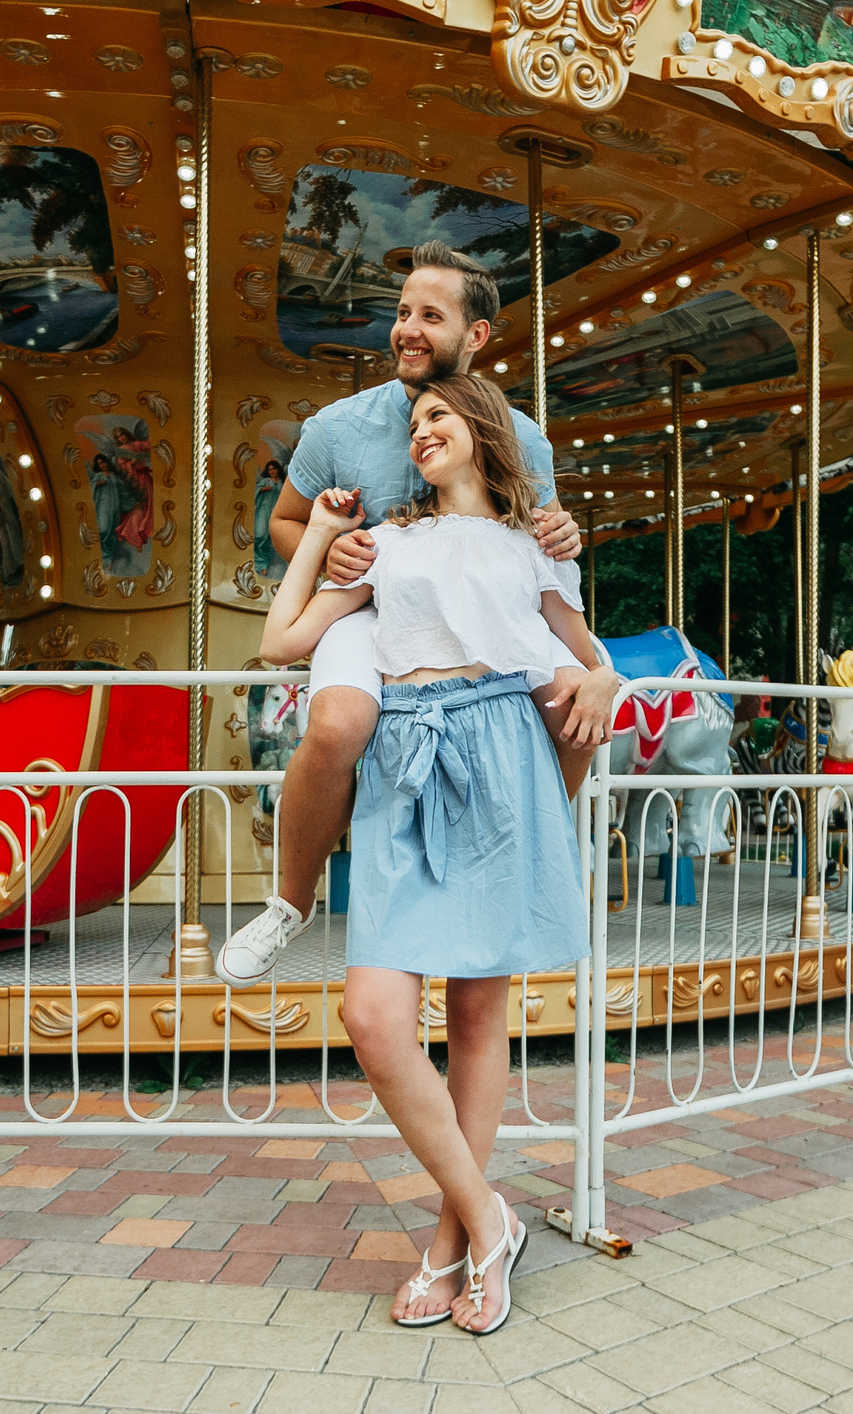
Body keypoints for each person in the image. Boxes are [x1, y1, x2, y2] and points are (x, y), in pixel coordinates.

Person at [260, 373, 613, 1334]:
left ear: (483, 431)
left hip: (502, 751)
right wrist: (327, 539)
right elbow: (283, 638)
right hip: (406, 755)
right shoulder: (395, 541)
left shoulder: (531, 545)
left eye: (439, 418)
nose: (421, 432)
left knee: (474, 1012)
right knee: (374, 1015)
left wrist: (607, 684)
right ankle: (495, 1217)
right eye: (414, 423)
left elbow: (588, 657)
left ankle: (455, 1246)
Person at [220, 242, 615, 987]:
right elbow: (285, 523)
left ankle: (533, 855)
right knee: (337, 724)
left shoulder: (521, 433)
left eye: (429, 317)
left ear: (475, 335)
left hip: (472, 604)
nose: (406, 329)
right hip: (370, 598)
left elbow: (540, 533)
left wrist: (567, 535)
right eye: (402, 313)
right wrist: (326, 549)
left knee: (574, 708)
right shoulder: (339, 426)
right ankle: (289, 904)